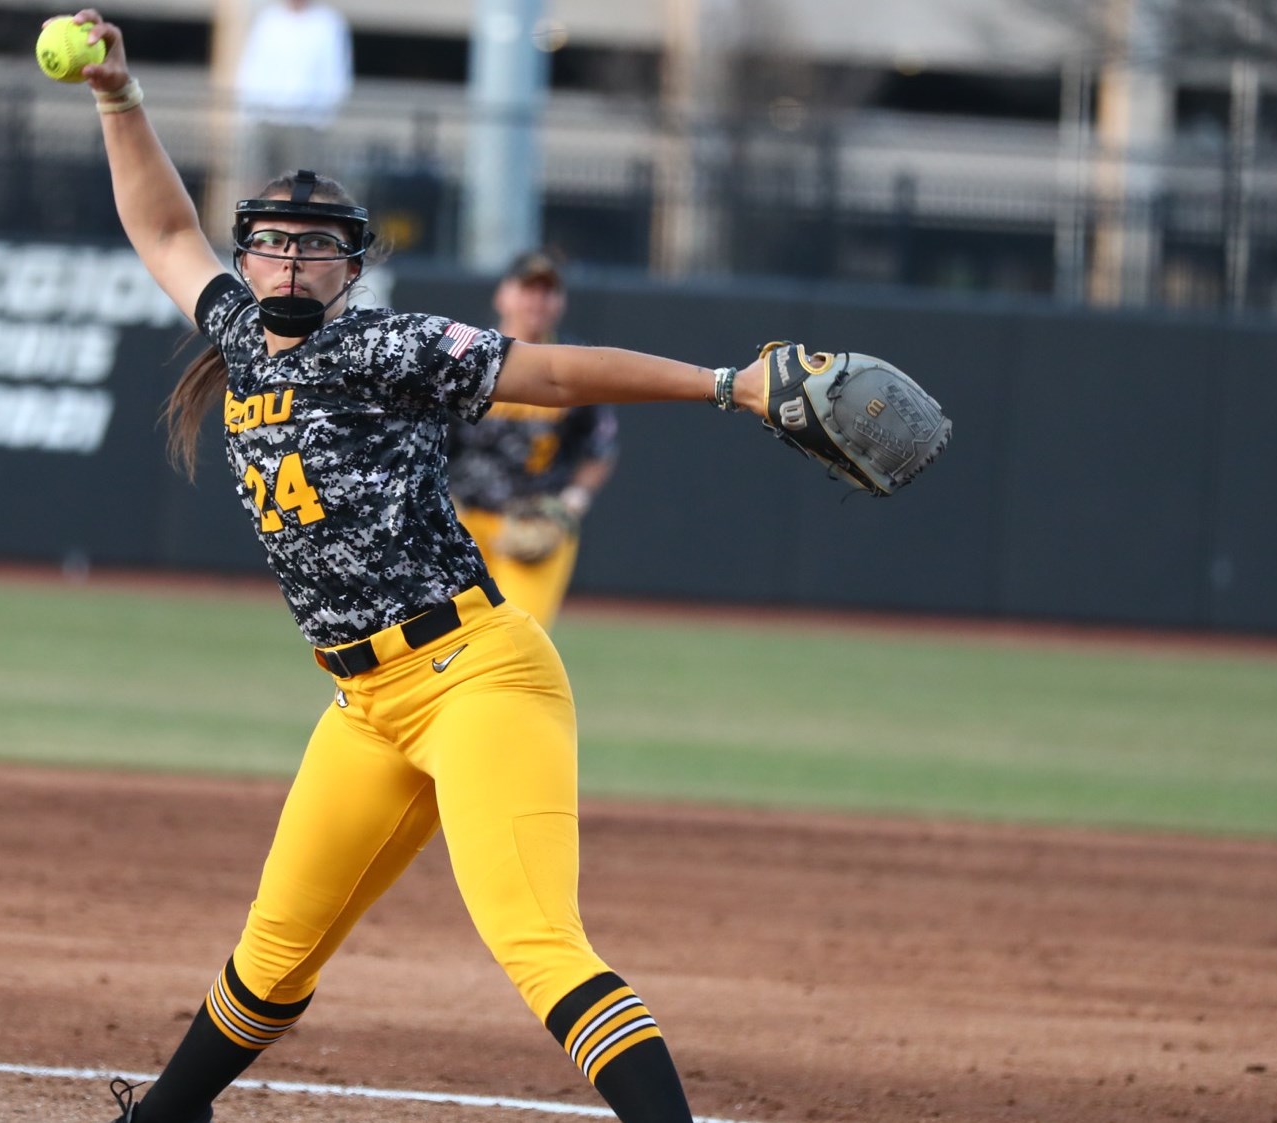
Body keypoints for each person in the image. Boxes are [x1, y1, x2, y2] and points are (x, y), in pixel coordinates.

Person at [56, 12, 781, 1122]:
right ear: (247, 253)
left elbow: (548, 372)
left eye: (316, 246)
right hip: (365, 703)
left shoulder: (382, 345)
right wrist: (118, 95)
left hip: (477, 677)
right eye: (272, 242)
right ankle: (165, 1115)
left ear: (351, 266)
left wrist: (724, 383)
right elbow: (159, 228)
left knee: (537, 944)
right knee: (272, 951)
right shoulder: (243, 335)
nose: (290, 259)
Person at [449, 250, 617, 630]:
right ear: (502, 295)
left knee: (519, 637)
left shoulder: (575, 364)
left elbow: (600, 449)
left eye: (549, 291)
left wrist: (573, 502)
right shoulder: (467, 359)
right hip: (465, 522)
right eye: (528, 289)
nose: (538, 300)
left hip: (535, 518)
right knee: (452, 642)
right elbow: (432, 434)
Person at [230, 0, 353, 193]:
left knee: (300, 187)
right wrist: (248, 114)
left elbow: (335, 73)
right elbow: (252, 67)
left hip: (304, 122)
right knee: (257, 183)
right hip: (265, 116)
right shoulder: (269, 19)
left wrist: (320, 117)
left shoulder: (327, 23)